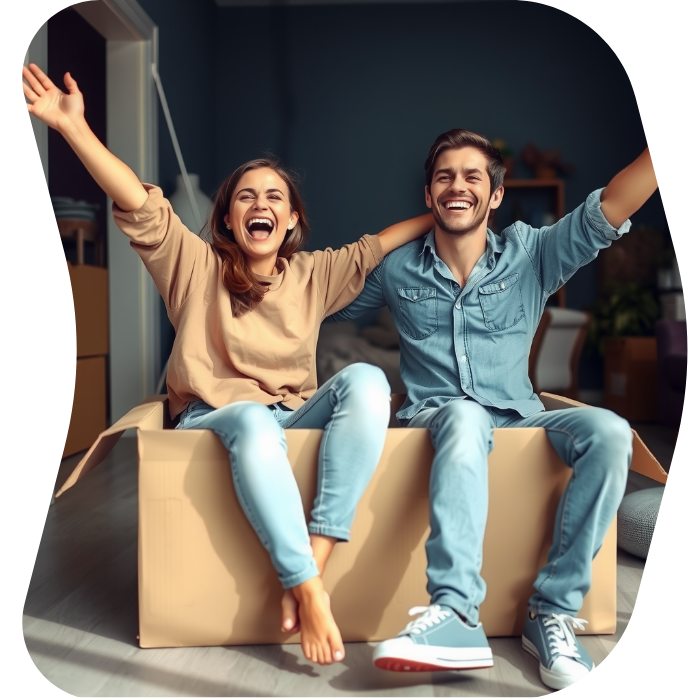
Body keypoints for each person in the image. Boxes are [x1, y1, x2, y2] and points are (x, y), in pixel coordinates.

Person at [23, 63, 435, 667]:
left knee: (370, 381)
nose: (260, 203)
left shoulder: (314, 275)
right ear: (226, 220)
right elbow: (137, 202)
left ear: (292, 220)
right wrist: (73, 129)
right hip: (215, 419)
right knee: (249, 420)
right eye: (245, 196)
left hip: (290, 416)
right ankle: (305, 586)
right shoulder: (194, 265)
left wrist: (453, 210)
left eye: (275, 196)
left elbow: (380, 242)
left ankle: (315, 558)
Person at [331, 128, 659, 689]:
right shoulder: (396, 268)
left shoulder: (533, 254)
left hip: (520, 416)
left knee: (609, 430)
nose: (457, 186)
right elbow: (315, 295)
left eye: (472, 176)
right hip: (437, 419)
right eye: (444, 176)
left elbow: (613, 204)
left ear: (496, 194)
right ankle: (456, 614)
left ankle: (551, 612)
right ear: (428, 193)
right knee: (462, 412)